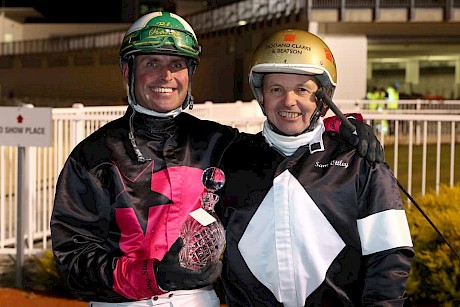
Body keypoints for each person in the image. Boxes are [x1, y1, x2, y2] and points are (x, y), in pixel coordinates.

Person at [50, 12, 382, 307]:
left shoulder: (219, 143)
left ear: (189, 74)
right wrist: (153, 276)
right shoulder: (92, 156)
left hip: (199, 300)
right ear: (127, 70)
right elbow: (74, 260)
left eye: (176, 64)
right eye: (152, 63)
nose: (166, 76)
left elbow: (284, 146)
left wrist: (340, 126)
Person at [218, 29, 414, 306]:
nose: (289, 101)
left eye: (302, 90)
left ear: (323, 99)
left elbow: (390, 255)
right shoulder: (232, 158)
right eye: (276, 89)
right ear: (261, 96)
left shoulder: (359, 162)